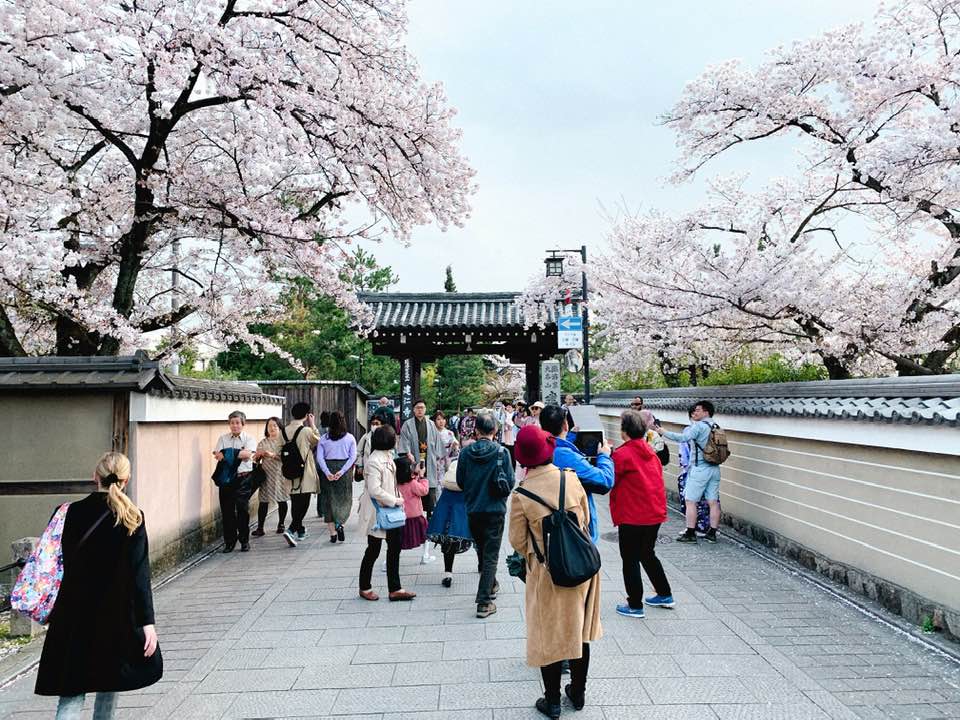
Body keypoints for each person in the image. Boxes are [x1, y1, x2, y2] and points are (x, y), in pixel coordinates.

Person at [35, 452, 163, 718]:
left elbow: (50, 563)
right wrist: (147, 623)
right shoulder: (132, 518)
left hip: (72, 614)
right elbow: (140, 576)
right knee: (109, 683)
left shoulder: (66, 513)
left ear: (95, 477)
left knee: (71, 693)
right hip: (115, 614)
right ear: (126, 480)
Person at [508, 426, 601, 719]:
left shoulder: (522, 494)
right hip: (582, 566)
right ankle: (578, 691)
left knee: (549, 633)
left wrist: (537, 553)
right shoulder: (571, 479)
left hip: (547, 571)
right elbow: (584, 520)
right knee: (579, 629)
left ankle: (552, 701)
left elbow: (518, 541)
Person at [611, 411, 674, 619]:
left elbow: (608, 479)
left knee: (629, 558)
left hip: (633, 514)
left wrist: (604, 456)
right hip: (654, 512)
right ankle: (664, 594)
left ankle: (635, 604)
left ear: (624, 431)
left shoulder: (622, 454)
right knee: (647, 553)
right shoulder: (649, 451)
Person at [456, 410, 515, 618]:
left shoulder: (465, 453)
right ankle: (484, 602)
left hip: (473, 509)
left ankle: (491, 584)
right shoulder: (502, 453)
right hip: (494, 510)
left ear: (476, 430)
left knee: (482, 549)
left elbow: (461, 481)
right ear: (496, 430)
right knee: (490, 555)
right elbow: (510, 482)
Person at [357, 425, 416, 602]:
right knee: (373, 550)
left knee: (395, 548)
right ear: (388, 440)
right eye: (394, 437)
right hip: (378, 513)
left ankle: (395, 588)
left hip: (392, 511)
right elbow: (375, 490)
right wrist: (395, 500)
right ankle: (365, 587)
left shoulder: (388, 456)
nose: (396, 439)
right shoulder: (374, 461)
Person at [540, 404, 614, 544]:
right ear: (565, 425)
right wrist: (604, 456)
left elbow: (557, 445)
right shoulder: (566, 456)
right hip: (575, 531)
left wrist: (570, 438)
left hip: (549, 524)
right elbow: (605, 480)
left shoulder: (542, 449)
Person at [661, 400, 721, 544]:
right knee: (713, 501)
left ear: (706, 412)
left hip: (699, 468)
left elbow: (683, 438)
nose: (694, 413)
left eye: (698, 410)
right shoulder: (716, 426)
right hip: (714, 468)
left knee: (690, 500)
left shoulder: (699, 426)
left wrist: (662, 431)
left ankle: (690, 532)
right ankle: (712, 533)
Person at [398, 399, 444, 563]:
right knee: (414, 491)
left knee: (429, 494)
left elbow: (437, 443)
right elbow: (403, 444)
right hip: (413, 462)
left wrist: (437, 456)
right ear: (413, 409)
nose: (420, 410)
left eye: (423, 408)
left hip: (428, 462)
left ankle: (429, 521)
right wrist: (408, 454)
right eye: (417, 408)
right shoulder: (407, 425)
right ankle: (417, 519)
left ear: (425, 409)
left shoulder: (431, 424)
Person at [213, 410, 258, 553]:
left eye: (238, 423)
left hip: (243, 478)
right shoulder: (222, 438)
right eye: (232, 423)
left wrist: (228, 453)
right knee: (227, 512)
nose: (235, 425)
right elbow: (218, 456)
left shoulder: (249, 439)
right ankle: (229, 542)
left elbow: (247, 455)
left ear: (243, 424)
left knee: (242, 510)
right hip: (226, 480)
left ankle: (244, 541)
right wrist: (237, 453)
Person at [427, 450, 473, 588]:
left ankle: (448, 574)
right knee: (478, 537)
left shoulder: (453, 465)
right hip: (465, 505)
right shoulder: (472, 467)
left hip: (447, 502)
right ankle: (482, 566)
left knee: (448, 539)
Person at [283, 402, 321, 547]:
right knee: (304, 502)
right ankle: (292, 529)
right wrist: (313, 424)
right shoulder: (306, 431)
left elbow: (279, 450)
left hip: (289, 471)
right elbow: (318, 440)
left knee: (295, 501)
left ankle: (300, 530)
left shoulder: (284, 431)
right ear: (306, 415)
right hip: (305, 470)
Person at [316, 410, 357, 544]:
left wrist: (327, 472)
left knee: (329, 500)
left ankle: (333, 533)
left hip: (327, 469)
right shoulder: (350, 438)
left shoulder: (323, 439)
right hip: (343, 470)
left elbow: (319, 458)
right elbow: (353, 457)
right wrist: (343, 470)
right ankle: (341, 524)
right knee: (344, 499)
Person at [675, 407, 711, 535]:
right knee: (707, 500)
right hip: (709, 469)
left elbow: (683, 453)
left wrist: (684, 467)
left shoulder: (689, 430)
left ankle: (692, 528)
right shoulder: (712, 428)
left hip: (692, 470)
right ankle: (706, 528)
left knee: (690, 500)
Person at [253, 417, 289, 537]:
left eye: (275, 426)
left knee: (282, 499)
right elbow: (256, 460)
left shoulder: (284, 442)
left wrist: (272, 455)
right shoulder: (263, 442)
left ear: (279, 428)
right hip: (266, 475)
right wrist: (258, 457)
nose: (272, 428)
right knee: (263, 501)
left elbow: (286, 457)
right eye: (269, 426)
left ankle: (281, 524)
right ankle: (260, 527)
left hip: (280, 474)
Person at [396, 456, 429, 551]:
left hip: (401, 516)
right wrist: (422, 476)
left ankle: (388, 561)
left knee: (399, 541)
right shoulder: (412, 484)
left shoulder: (396, 483)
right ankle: (425, 555)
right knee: (425, 535)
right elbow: (424, 490)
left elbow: (409, 478)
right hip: (415, 516)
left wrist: (416, 473)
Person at [355, 415, 382, 482]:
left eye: (377, 423)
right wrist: (360, 465)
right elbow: (359, 452)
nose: (374, 425)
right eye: (373, 423)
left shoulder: (385, 437)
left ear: (381, 425)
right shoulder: (366, 437)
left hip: (380, 467)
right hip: (368, 468)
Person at [435, 410, 459, 477]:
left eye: (443, 419)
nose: (441, 421)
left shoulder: (450, 433)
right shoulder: (432, 433)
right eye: (438, 419)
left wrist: (455, 446)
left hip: (446, 460)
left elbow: (455, 449)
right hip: (435, 460)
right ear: (434, 421)